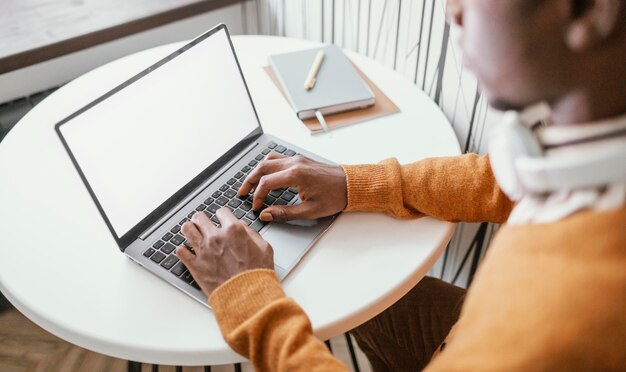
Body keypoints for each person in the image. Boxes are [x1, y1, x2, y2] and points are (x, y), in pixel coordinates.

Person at [175, 0, 626, 370]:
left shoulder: (576, 307)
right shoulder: (586, 160)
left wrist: (251, 300)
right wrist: (354, 184)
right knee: (363, 294)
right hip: (465, 325)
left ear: (591, 10)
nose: (453, 11)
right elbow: (499, 182)